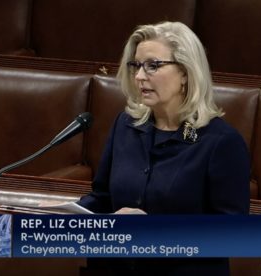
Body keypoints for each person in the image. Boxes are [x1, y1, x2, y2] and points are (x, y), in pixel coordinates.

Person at [78, 21, 250, 275]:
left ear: (185, 72)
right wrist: (66, 217)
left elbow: (232, 235)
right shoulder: (126, 125)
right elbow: (103, 199)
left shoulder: (220, 142)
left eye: (153, 65)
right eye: (136, 65)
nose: (139, 76)